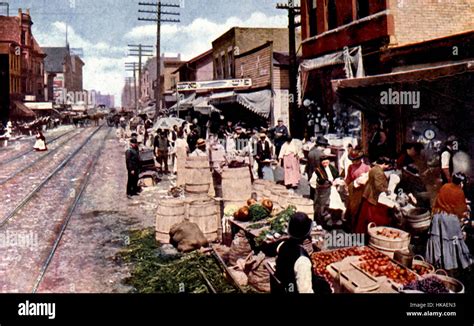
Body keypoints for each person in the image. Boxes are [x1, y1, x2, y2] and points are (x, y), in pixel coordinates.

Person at [274, 212, 332, 294]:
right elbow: (305, 291)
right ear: (308, 233)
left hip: (287, 285)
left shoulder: (282, 245)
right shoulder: (302, 260)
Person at [427, 172, 472, 270]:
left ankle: (437, 264)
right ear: (461, 183)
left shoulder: (445, 186)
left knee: (439, 241)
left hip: (437, 217)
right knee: (453, 240)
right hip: (448, 220)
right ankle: (452, 264)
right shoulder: (459, 191)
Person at [355, 157, 393, 234]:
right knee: (372, 217)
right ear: (384, 164)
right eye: (387, 166)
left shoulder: (374, 168)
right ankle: (370, 234)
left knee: (363, 217)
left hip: (368, 193)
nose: (387, 168)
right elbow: (378, 186)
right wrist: (387, 191)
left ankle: (361, 233)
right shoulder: (379, 172)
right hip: (372, 196)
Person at [344, 148, 370, 230]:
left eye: (355, 160)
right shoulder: (350, 167)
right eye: (352, 160)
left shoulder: (366, 167)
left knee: (360, 210)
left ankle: (358, 228)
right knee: (352, 210)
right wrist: (345, 185)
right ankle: (351, 226)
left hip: (362, 191)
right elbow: (348, 178)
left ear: (360, 159)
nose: (353, 162)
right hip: (353, 190)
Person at [311, 154, 340, 226]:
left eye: (326, 162)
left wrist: (336, 182)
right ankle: (319, 222)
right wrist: (319, 187)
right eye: (323, 162)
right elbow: (312, 182)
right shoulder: (318, 170)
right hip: (322, 191)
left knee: (333, 205)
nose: (325, 164)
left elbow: (337, 176)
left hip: (332, 189)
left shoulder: (332, 168)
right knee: (321, 206)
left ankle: (331, 220)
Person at [306, 136, 330, 200]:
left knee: (312, 186)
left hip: (310, 172)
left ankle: (312, 198)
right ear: (322, 145)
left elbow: (308, 164)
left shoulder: (311, 152)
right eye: (325, 146)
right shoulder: (322, 155)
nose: (325, 148)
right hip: (318, 173)